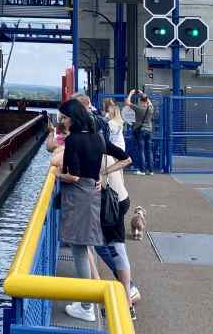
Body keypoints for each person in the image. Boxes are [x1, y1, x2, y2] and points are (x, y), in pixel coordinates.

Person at [58, 97, 130, 323]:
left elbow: (74, 175)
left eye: (64, 117)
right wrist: (103, 174)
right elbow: (126, 158)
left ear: (73, 118)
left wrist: (56, 175)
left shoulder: (73, 141)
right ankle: (86, 301)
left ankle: (86, 305)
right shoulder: (98, 139)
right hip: (93, 195)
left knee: (80, 249)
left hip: (78, 197)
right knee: (87, 246)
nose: (62, 121)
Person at [96, 98, 140, 317]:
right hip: (119, 200)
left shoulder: (98, 148)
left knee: (114, 247)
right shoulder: (107, 145)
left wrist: (105, 172)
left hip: (112, 203)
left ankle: (128, 298)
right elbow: (128, 159)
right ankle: (128, 290)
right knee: (105, 245)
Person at [128, 90, 156, 174]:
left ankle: (142, 170)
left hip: (141, 131)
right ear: (146, 101)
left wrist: (130, 93)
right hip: (149, 131)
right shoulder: (150, 108)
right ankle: (151, 170)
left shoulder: (138, 108)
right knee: (149, 151)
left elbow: (127, 103)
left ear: (140, 101)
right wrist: (142, 94)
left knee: (141, 151)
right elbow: (149, 102)